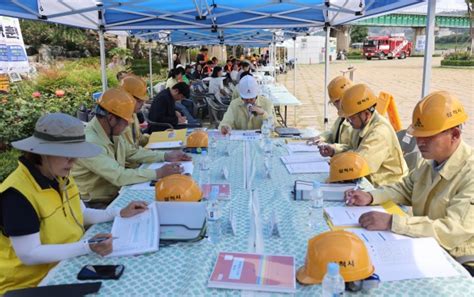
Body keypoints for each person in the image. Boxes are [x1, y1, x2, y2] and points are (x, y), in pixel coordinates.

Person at [0, 113, 148, 294]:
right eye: (67, 155)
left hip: (65, 264)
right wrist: (86, 246)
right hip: (30, 285)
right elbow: (29, 254)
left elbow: (81, 213)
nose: (74, 162)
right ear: (43, 152)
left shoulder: (59, 176)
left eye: (75, 155)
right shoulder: (16, 194)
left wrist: (117, 212)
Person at [344, 91, 473, 275]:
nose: (420, 142)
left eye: (428, 136)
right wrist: (371, 196)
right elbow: (404, 188)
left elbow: (450, 230)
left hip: (458, 260)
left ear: (455, 134)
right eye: (418, 135)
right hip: (425, 246)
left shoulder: (470, 174)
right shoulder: (431, 163)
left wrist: (392, 222)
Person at [71, 88, 190, 207]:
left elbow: (131, 152)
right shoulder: (90, 142)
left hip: (116, 192)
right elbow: (119, 176)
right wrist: (158, 172)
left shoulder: (110, 130)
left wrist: (166, 156)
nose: (127, 126)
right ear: (111, 118)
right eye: (125, 122)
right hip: (95, 204)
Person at [319, 83, 408, 187]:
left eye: (351, 118)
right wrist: (334, 149)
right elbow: (354, 150)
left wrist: (333, 174)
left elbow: (360, 165)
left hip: (389, 189)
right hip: (371, 183)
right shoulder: (360, 125)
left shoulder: (379, 133)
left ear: (366, 114)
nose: (348, 121)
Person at [307, 76, 354, 152]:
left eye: (336, 102)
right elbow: (333, 133)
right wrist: (321, 137)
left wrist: (334, 148)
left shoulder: (357, 121)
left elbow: (354, 149)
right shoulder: (342, 116)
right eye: (333, 103)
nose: (335, 106)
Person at [120, 75, 150, 149]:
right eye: (139, 101)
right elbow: (128, 152)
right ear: (128, 98)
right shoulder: (118, 118)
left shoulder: (133, 114)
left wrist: (155, 137)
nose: (143, 104)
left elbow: (139, 139)